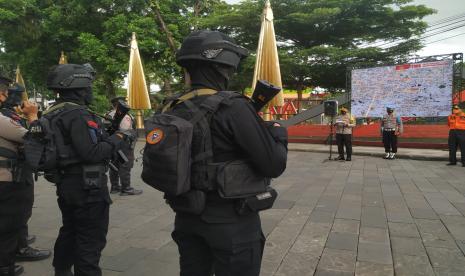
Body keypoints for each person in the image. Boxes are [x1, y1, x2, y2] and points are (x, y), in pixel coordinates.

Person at [167, 30, 288, 276]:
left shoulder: (173, 106)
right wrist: (278, 135)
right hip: (231, 221)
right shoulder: (233, 106)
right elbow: (273, 165)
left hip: (186, 216)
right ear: (223, 67)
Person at [42, 64, 126, 276]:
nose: (90, 90)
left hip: (66, 183)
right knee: (90, 238)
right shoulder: (77, 113)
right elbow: (92, 153)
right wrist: (120, 137)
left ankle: (61, 271)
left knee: (69, 230)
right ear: (79, 87)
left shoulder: (52, 112)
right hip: (87, 187)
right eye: (88, 86)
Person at [0, 83, 51, 263]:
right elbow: (33, 138)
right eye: (10, 94)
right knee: (14, 217)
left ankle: (18, 244)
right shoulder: (3, 117)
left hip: (18, 170)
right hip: (10, 175)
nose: (18, 99)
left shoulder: (10, 115)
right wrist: (32, 116)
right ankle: (14, 254)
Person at [107, 97, 142, 196]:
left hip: (113, 143)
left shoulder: (108, 114)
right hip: (124, 143)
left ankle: (115, 187)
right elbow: (127, 130)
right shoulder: (123, 115)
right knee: (125, 164)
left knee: (114, 164)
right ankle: (126, 188)